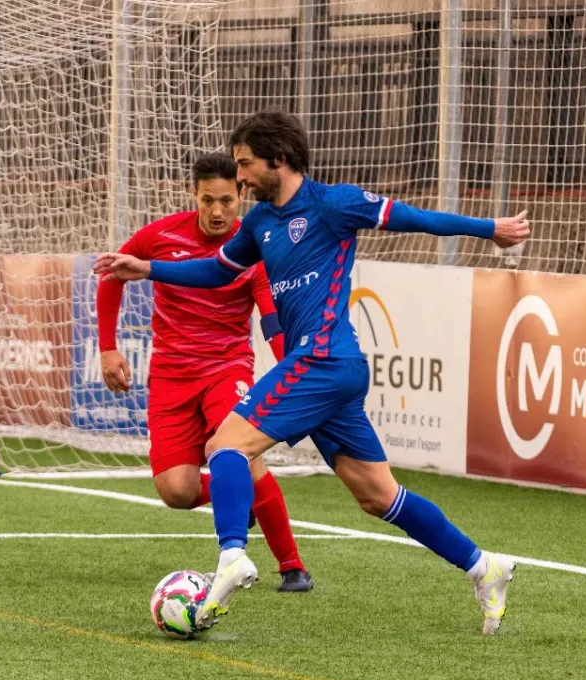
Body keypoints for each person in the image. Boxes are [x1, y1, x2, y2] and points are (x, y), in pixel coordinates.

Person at [94, 110, 531, 635]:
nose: (241, 178)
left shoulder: (333, 203)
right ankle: (484, 566)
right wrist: (149, 269)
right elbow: (216, 271)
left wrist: (491, 230)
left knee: (226, 447)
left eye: (247, 165)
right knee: (378, 496)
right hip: (328, 369)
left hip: (322, 358)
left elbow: (415, 216)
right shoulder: (257, 222)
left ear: (278, 159)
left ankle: (232, 556)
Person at [97, 152, 312, 592]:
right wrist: (107, 348)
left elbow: (271, 320)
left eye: (228, 201)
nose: (218, 211)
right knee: (176, 491)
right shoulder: (159, 236)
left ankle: (291, 565)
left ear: (242, 196)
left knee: (239, 451)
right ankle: (239, 497)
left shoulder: (255, 248)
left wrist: (298, 369)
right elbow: (112, 276)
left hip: (226, 367)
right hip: (171, 376)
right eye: (209, 200)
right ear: (194, 194)